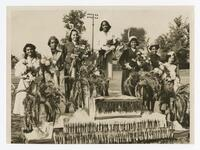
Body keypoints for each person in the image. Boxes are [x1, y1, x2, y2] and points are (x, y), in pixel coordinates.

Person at [13, 43, 40, 116]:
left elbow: (39, 71)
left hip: (34, 81)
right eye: (27, 50)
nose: (29, 51)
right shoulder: (23, 61)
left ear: (33, 50)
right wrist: (24, 75)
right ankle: (24, 116)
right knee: (23, 96)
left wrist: (35, 78)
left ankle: (33, 116)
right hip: (24, 82)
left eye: (31, 49)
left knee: (33, 98)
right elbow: (18, 73)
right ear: (25, 51)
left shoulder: (37, 60)